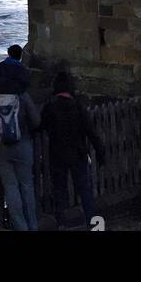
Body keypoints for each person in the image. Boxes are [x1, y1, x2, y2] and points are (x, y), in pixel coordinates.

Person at [41, 70, 104, 229]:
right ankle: (93, 223)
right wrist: (100, 151)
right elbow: (91, 132)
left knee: (60, 191)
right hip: (78, 153)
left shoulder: (50, 107)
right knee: (85, 191)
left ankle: (62, 224)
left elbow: (40, 126)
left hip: (57, 155)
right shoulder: (78, 107)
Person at [0, 61, 40, 231]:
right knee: (27, 186)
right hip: (23, 145)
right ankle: (32, 226)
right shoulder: (22, 94)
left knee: (10, 187)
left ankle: (20, 227)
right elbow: (36, 121)